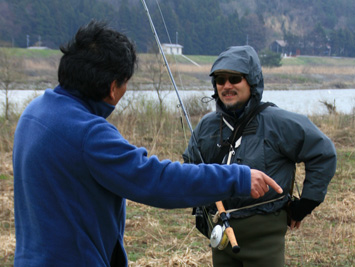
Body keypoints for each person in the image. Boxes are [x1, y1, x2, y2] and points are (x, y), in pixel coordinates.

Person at [12, 22, 282, 266]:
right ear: (112, 86)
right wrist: (237, 177)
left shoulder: (35, 111)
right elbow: (158, 180)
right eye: (126, 82)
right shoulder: (88, 134)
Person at [183, 45, 337, 266]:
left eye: (235, 78)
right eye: (220, 80)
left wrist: (304, 206)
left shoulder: (279, 122)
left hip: (265, 239)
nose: (226, 86)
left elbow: (323, 153)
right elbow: (189, 168)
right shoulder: (207, 126)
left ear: (252, 82)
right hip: (221, 237)